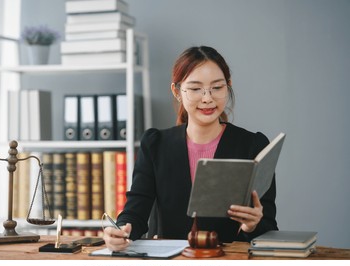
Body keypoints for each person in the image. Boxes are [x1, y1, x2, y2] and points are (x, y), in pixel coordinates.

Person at [103, 46, 278, 252]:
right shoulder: (155, 144)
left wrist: (252, 225)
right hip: (169, 265)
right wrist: (121, 231)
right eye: (195, 89)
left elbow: (268, 228)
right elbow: (135, 212)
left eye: (217, 87)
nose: (207, 98)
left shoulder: (253, 145)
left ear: (228, 87)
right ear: (177, 91)